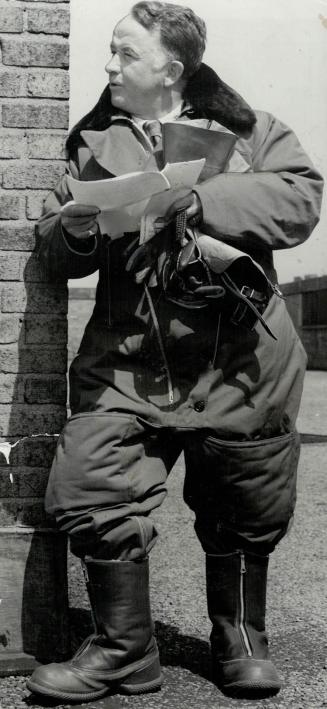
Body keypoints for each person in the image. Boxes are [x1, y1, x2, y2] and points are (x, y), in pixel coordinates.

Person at [27, 1, 323, 703]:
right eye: (111, 51)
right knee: (91, 480)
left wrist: (205, 201)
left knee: (247, 500)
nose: (109, 66)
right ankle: (123, 650)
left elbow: (300, 200)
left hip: (240, 361)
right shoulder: (92, 143)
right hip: (128, 358)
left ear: (173, 67)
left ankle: (240, 639)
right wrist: (73, 230)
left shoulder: (251, 132)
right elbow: (57, 250)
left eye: (125, 53)